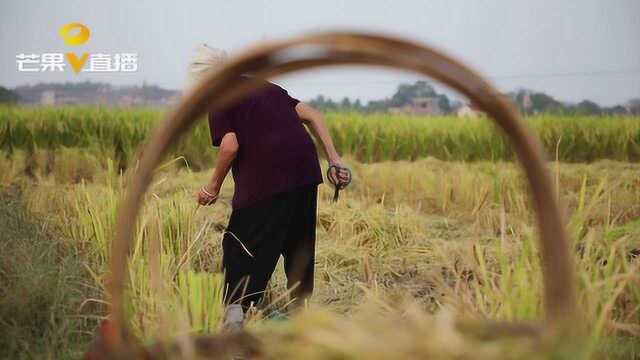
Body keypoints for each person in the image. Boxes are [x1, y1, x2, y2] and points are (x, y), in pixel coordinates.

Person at [189, 44, 351, 330]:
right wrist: (335, 160)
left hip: (265, 175)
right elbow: (313, 114)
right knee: (297, 241)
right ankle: (300, 314)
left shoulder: (219, 97)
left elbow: (229, 146)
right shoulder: (266, 87)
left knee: (240, 240)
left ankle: (235, 316)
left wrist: (212, 187)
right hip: (304, 169)